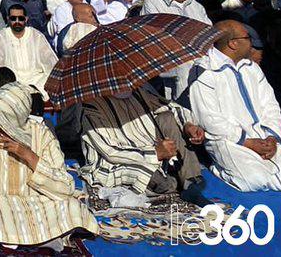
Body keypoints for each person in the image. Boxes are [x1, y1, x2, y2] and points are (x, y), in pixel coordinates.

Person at [0, 83, 98, 256]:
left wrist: (27, 154)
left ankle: (26, 240)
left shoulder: (41, 134)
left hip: (34, 202)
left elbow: (65, 187)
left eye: (2, 121)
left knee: (73, 207)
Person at [187, 20, 281, 191]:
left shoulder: (252, 68)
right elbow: (209, 119)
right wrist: (247, 142)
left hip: (264, 136)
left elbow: (271, 105)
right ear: (233, 43)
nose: (252, 42)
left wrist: (271, 137)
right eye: (247, 38)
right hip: (230, 141)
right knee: (255, 180)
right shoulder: (204, 71)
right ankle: (221, 169)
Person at [79, 87, 209, 206]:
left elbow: (170, 106)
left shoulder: (138, 92)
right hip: (122, 161)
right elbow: (110, 152)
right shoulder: (91, 107)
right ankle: (170, 183)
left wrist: (188, 126)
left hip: (154, 149)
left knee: (167, 117)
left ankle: (190, 181)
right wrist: (155, 153)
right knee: (161, 181)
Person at [0, 4, 57, 99]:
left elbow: (49, 60)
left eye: (21, 18)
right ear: (8, 19)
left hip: (36, 80)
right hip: (13, 81)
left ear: (26, 19)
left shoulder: (36, 35)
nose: (17, 22)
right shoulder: (1, 36)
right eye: (13, 18)